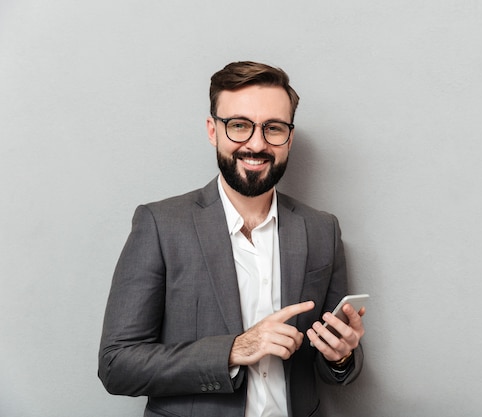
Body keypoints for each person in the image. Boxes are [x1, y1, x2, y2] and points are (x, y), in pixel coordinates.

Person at [98, 61, 365, 417]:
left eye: (273, 128)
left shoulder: (322, 230)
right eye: (239, 125)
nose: (256, 143)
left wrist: (341, 355)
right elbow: (117, 366)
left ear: (290, 137)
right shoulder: (160, 224)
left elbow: (324, 362)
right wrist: (235, 349)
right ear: (213, 130)